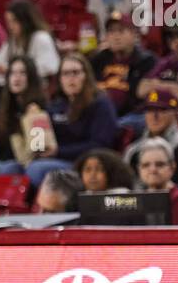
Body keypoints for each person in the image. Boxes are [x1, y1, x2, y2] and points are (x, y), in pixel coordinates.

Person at [27, 54, 118, 188]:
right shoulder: (55, 105)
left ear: (86, 76)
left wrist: (58, 152)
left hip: (84, 164)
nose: (71, 78)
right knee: (10, 168)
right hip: (56, 159)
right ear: (60, 79)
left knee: (36, 169)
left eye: (75, 72)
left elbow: (99, 144)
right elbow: (41, 142)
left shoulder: (100, 104)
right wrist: (34, 119)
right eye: (65, 73)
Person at [0, 55, 50, 179]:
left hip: (27, 162)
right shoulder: (4, 107)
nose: (17, 77)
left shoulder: (40, 108)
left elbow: (39, 148)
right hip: (4, 161)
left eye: (22, 73)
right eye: (12, 73)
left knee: (6, 168)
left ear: (31, 78)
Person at [123, 90, 178, 187]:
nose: (154, 116)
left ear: (176, 114)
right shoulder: (133, 150)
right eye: (149, 110)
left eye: (162, 110)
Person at [89, 14, 156, 127]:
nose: (116, 36)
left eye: (121, 31)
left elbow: (142, 100)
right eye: (111, 31)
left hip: (129, 117)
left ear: (134, 34)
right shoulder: (98, 59)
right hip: (97, 114)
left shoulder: (146, 61)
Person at [0, 0, 59, 87]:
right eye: (8, 21)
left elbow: (49, 68)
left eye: (14, 21)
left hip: (38, 89)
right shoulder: (13, 40)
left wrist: (11, 70)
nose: (10, 26)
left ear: (25, 20)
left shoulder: (41, 38)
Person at [133, 139, 178, 224]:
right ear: (139, 169)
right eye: (145, 165)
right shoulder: (135, 200)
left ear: (172, 167)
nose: (153, 170)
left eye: (159, 164)